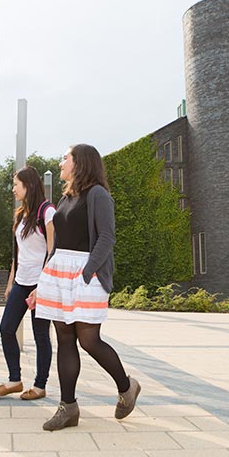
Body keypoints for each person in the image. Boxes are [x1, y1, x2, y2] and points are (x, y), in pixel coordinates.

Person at [34, 144, 141, 431]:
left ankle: (127, 386)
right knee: (65, 340)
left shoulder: (98, 195)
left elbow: (107, 237)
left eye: (65, 158)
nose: (60, 163)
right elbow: (57, 244)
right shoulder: (68, 197)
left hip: (85, 274)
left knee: (89, 340)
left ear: (80, 162)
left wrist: (87, 273)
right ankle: (68, 408)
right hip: (59, 273)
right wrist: (45, 279)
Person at [0, 166, 55, 401]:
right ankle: (14, 380)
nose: (13, 188)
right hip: (21, 282)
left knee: (40, 336)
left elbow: (52, 251)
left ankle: (40, 386)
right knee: (6, 328)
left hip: (41, 283)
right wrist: (10, 283)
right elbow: (18, 253)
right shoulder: (20, 214)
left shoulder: (47, 212)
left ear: (28, 185)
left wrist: (43, 285)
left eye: (16, 184)